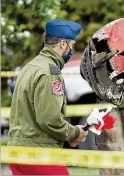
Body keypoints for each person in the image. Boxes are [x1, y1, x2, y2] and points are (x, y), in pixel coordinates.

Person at [7, 19, 88, 175]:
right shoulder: (50, 73)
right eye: (71, 46)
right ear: (63, 44)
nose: (72, 51)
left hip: (17, 151)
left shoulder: (29, 67)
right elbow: (50, 120)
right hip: (40, 154)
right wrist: (74, 133)